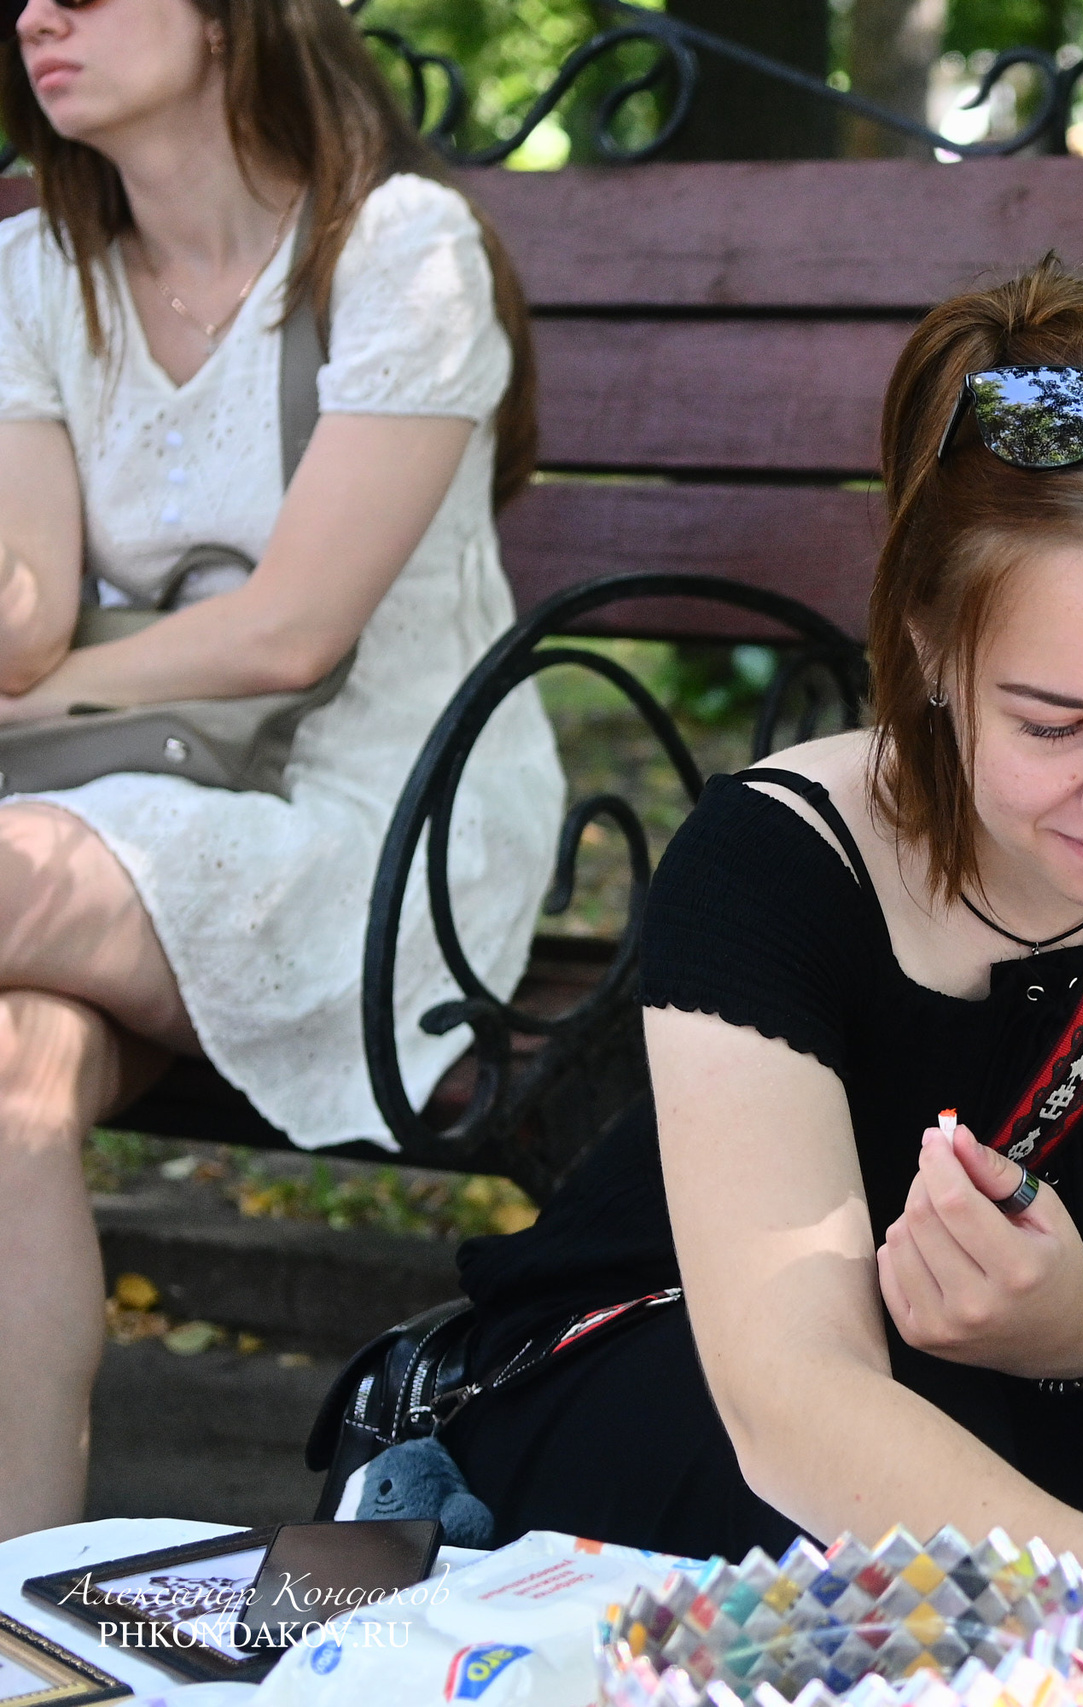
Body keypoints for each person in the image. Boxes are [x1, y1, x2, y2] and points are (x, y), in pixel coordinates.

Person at [439, 266, 1083, 1662]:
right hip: (686, 1375)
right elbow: (795, 1396)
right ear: (929, 652)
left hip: (1061, 1380)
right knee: (937, 1548)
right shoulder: (773, 863)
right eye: (1055, 723)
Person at [0, 0, 562, 1539]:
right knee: (15, 1069)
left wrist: (52, 687)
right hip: (116, 805)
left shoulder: (401, 249)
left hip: (388, 832)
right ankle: (17, 1600)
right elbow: (23, 620)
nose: (39, 13)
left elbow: (292, 634)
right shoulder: (35, 270)